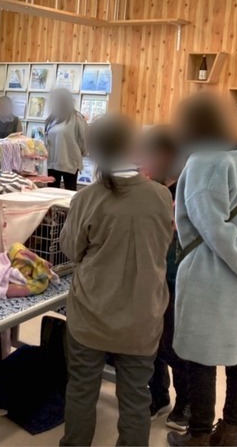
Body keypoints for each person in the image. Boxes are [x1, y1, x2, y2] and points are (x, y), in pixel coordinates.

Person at [60, 115, 173, 447]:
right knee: (136, 398)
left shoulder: (86, 199)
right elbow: (162, 245)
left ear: (91, 150)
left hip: (91, 314)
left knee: (81, 390)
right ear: (134, 146)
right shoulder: (160, 196)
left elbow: (70, 249)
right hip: (143, 316)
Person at [167, 93, 237, 447]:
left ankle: (198, 436)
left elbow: (214, 228)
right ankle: (232, 433)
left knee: (200, 360)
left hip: (210, 277)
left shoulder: (203, 161)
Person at [141, 126, 190, 431]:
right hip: (151, 273)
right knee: (150, 341)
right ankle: (158, 395)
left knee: (172, 344)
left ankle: (185, 404)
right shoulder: (152, 185)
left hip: (174, 275)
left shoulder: (185, 188)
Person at [45, 88, 87, 191]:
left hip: (69, 162)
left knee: (70, 192)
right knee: (51, 192)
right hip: (52, 162)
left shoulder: (76, 118)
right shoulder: (51, 119)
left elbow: (84, 140)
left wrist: (82, 153)